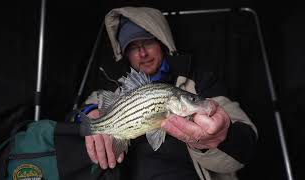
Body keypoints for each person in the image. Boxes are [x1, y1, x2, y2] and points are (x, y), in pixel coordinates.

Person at [80, 6, 258, 180]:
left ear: (161, 42)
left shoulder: (200, 79)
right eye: (133, 47)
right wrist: (92, 112)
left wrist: (222, 138)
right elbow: (81, 111)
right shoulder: (117, 86)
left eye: (147, 42)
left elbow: (246, 145)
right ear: (126, 55)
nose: (142, 53)